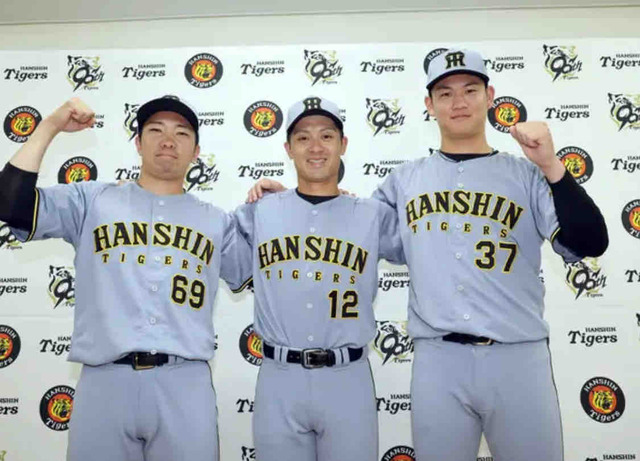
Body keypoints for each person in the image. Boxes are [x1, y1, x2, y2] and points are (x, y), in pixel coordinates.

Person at [247, 49, 608, 461]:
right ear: (429, 104)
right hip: (439, 362)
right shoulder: (404, 181)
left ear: (490, 96)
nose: (458, 102)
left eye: (470, 90)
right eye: (445, 93)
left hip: (518, 355)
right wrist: (293, 202)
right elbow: (344, 224)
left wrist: (551, 166)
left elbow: (591, 243)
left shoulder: (525, 174)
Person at [0, 95, 252, 461]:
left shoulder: (216, 221)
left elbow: (263, 272)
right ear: (137, 142)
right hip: (104, 381)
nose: (168, 140)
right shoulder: (92, 200)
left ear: (196, 152)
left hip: (185, 384)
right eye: (156, 130)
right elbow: (10, 204)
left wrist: (281, 208)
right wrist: (51, 125)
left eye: (182, 133)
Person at [235, 96, 404, 461]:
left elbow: (430, 252)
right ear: (288, 149)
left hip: (348, 377)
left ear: (343, 144)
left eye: (327, 136)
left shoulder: (371, 214)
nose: (315, 147)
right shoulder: (259, 213)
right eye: (303, 138)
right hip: (280, 377)